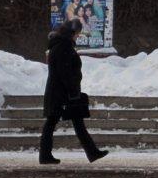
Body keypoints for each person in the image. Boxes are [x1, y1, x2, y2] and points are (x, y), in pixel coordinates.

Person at [40, 18, 108, 165]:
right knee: (52, 122)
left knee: (74, 120)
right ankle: (45, 155)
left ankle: (92, 152)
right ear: (72, 32)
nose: (78, 36)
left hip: (62, 91)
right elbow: (64, 71)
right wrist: (72, 89)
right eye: (77, 33)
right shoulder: (63, 46)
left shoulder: (61, 45)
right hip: (61, 92)